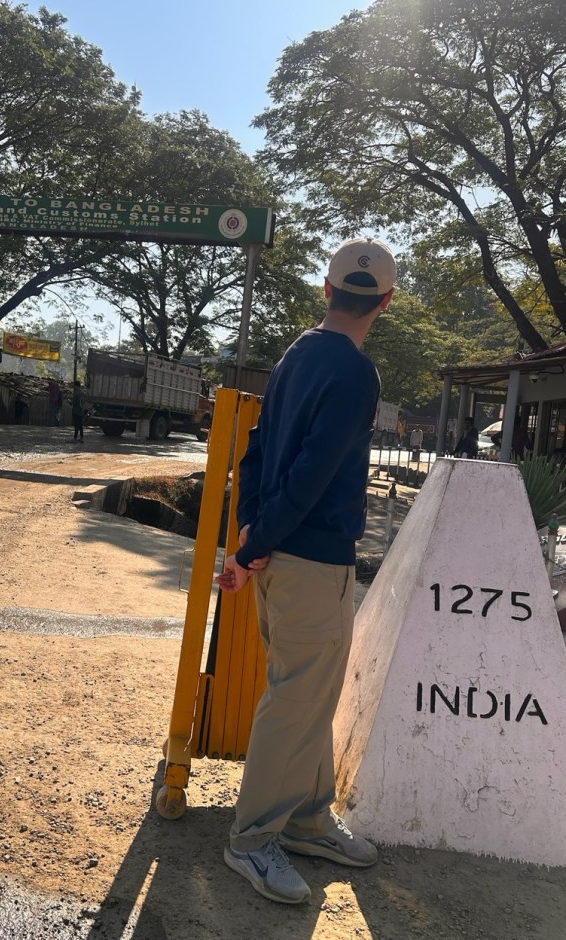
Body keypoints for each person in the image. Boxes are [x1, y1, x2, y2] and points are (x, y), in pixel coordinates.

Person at [216, 237, 395, 905]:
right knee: (294, 700)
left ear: (327, 291)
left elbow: (259, 449)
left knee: (309, 694)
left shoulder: (295, 354)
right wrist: (253, 542)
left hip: (280, 553)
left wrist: (250, 536)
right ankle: (251, 839)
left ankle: (308, 819)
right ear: (385, 300)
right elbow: (313, 475)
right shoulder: (356, 373)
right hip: (315, 559)